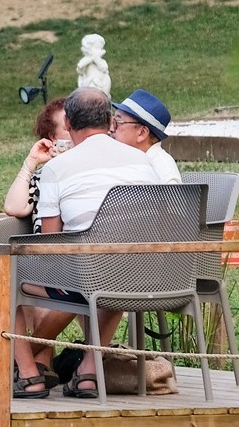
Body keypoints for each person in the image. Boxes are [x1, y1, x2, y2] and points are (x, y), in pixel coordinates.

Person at [9, 85, 158, 399]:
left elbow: (51, 244)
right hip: (145, 275)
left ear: (71, 126)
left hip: (86, 279)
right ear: (110, 123)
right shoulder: (143, 163)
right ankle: (88, 372)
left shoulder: (58, 168)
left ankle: (27, 373)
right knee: (116, 261)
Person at [2, 96, 69, 223]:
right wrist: (29, 165)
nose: (75, 132)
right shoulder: (43, 175)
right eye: (68, 128)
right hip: (46, 242)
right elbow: (14, 208)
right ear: (53, 137)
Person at [110, 89, 180, 182]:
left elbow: (175, 196)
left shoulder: (162, 168)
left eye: (118, 122)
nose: (111, 128)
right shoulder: (128, 159)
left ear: (142, 133)